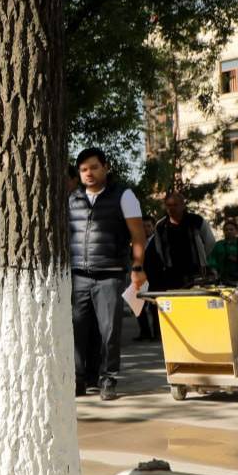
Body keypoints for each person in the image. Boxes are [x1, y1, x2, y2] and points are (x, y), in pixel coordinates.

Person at [68, 147, 147, 400]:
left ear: (105, 167)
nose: (89, 173)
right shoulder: (72, 199)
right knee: (77, 330)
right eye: (83, 169)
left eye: (94, 167)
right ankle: (79, 379)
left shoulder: (124, 195)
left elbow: (138, 236)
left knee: (109, 330)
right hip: (78, 274)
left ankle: (108, 379)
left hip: (110, 274)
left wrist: (137, 268)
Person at [151, 191, 215, 290]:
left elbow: (210, 242)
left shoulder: (196, 221)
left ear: (183, 205)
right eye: (169, 205)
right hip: (172, 271)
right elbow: (159, 249)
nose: (172, 208)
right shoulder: (161, 226)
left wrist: (201, 258)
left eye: (175, 205)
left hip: (195, 269)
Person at [206, 217, 238, 283]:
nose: (228, 231)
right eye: (226, 230)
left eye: (231, 229)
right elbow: (212, 259)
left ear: (236, 231)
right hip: (222, 278)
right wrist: (214, 270)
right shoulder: (218, 245)